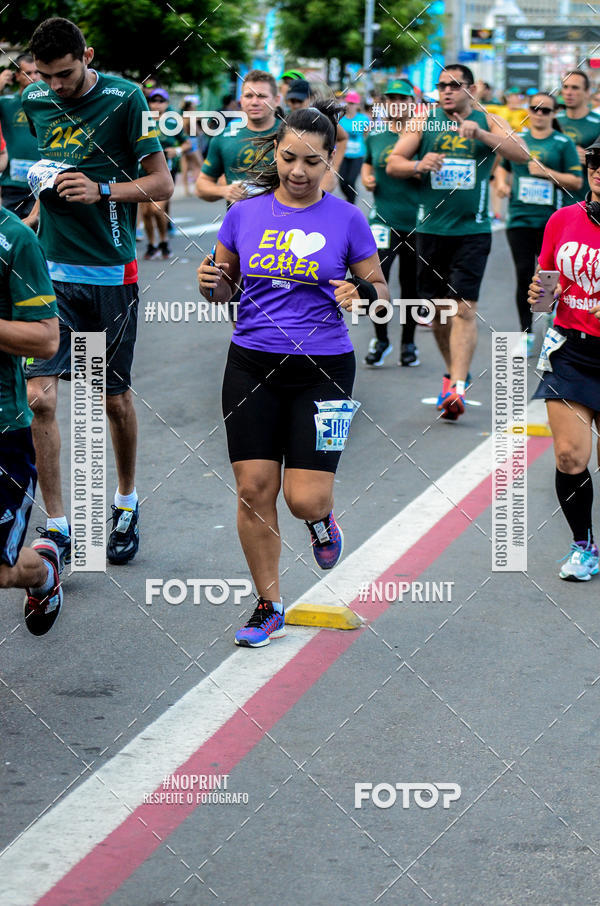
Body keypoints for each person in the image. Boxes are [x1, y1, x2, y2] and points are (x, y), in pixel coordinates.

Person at [197, 101, 388, 647]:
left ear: (332, 161)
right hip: (251, 361)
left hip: (323, 369)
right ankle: (269, 604)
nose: (298, 171)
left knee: (304, 498)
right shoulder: (245, 213)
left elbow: (382, 295)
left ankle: (322, 521)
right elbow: (221, 290)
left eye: (311, 161)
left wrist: (362, 292)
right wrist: (210, 281)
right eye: (287, 158)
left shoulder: (348, 219)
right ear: (274, 153)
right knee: (254, 488)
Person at [22, 17, 173, 568]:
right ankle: (59, 523)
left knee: (110, 398)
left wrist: (102, 188)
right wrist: (39, 202)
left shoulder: (126, 98)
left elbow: (162, 184)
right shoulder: (34, 98)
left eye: (65, 74)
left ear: (87, 55)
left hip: (110, 275)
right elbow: (43, 169)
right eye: (47, 76)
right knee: (40, 396)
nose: (56, 86)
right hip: (49, 272)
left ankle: (126, 500)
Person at [386, 63, 529, 420]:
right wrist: (419, 164)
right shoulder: (425, 121)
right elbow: (393, 162)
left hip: (473, 231)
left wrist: (481, 135)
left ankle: (459, 387)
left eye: (454, 85)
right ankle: (453, 376)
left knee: (463, 308)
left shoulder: (488, 119)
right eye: (441, 86)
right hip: (431, 231)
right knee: (437, 311)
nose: (446, 91)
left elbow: (522, 153)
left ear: (472, 89)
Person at [527, 137, 600, 581]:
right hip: (571, 349)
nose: (599, 171)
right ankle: (583, 546)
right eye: (595, 162)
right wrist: (539, 293)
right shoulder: (563, 219)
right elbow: (545, 285)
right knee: (571, 456)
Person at [0, 204, 63, 635]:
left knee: (1, 571)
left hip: (3, 428)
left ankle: (42, 575)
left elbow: (45, 338)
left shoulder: (16, 239)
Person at [495, 93, 582, 354]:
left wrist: (546, 172)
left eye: (546, 110)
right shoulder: (518, 142)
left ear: (554, 113)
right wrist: (501, 183)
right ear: (528, 111)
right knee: (524, 275)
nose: (540, 114)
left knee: (547, 276)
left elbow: (576, 182)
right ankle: (526, 333)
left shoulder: (563, 143)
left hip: (551, 222)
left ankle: (547, 322)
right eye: (535, 109)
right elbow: (504, 167)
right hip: (520, 219)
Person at [361, 78, 421, 367]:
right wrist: (366, 177)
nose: (396, 103)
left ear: (413, 104)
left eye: (403, 98)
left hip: (417, 221)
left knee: (411, 286)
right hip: (382, 219)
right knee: (376, 280)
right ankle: (381, 338)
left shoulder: (423, 136)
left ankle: (408, 343)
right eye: (390, 98)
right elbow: (369, 161)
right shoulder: (375, 135)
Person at [196, 69, 280, 206]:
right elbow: (201, 185)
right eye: (248, 96)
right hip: (239, 225)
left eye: (261, 96)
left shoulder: (291, 134)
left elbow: (322, 175)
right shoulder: (223, 137)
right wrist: (224, 190)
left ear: (277, 100)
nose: (254, 102)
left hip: (283, 224)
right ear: (241, 100)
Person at [140, 88, 190, 260]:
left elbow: (187, 144)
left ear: (167, 104)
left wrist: (176, 150)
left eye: (161, 101)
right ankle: (152, 245)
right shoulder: (142, 121)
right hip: (142, 172)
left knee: (157, 208)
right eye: (154, 101)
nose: (157, 104)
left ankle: (164, 240)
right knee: (146, 212)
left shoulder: (172, 122)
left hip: (165, 172)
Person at [284, 79, 347, 193]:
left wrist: (333, 168)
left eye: (300, 100)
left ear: (310, 98)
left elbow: (343, 138)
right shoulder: (285, 119)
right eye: (292, 101)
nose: (296, 105)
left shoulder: (320, 118)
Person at [0, 53, 41, 219]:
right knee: (10, 234)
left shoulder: (48, 102)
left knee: (38, 236)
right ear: (17, 76)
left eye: (37, 72)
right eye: (28, 73)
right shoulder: (6, 102)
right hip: (13, 184)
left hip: (41, 184)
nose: (34, 77)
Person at [556, 70, 600, 203]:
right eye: (565, 87)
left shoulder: (598, 123)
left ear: (587, 92)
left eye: (575, 88)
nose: (569, 92)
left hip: (588, 200)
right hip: (553, 202)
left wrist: (589, 156)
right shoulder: (552, 121)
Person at [338, 91, 370, 204]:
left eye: (353, 103)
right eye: (349, 103)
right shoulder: (340, 119)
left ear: (357, 105)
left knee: (350, 180)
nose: (350, 105)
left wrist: (369, 155)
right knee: (342, 182)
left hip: (358, 155)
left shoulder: (363, 119)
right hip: (343, 154)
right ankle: (349, 199)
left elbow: (368, 136)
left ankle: (351, 203)